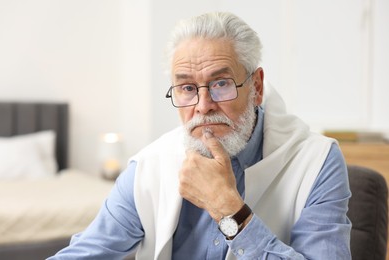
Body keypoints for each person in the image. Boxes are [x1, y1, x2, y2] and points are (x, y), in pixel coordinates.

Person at [49, 12, 351, 259]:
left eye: (221, 83)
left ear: (256, 87)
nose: (203, 107)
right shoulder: (150, 167)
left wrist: (228, 208)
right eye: (187, 88)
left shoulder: (317, 160)